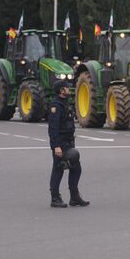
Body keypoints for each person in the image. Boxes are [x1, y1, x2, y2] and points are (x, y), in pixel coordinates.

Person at [48, 80, 89, 208]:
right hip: (60, 143)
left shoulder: (65, 103)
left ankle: (74, 196)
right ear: (61, 90)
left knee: (76, 167)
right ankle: (55, 197)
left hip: (69, 141)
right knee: (58, 168)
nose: (68, 89)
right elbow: (53, 128)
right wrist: (56, 146)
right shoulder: (55, 105)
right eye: (66, 87)